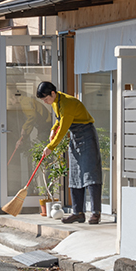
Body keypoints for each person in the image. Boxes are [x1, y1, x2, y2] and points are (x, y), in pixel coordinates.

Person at [37, 81, 102, 225]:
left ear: (53, 93)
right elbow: (60, 121)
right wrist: (53, 128)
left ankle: (96, 213)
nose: (46, 102)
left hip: (87, 135)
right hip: (75, 137)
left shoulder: (68, 103)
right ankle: (77, 213)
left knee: (91, 174)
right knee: (75, 174)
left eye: (46, 99)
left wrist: (51, 147)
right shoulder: (56, 102)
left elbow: (64, 127)